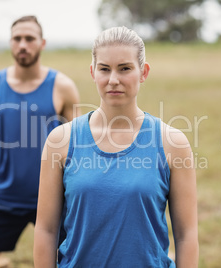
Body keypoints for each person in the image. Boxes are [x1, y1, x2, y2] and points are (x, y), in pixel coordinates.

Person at [34, 26, 198, 267]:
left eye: (125, 68)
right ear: (93, 72)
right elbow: (46, 231)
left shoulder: (172, 143)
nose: (113, 80)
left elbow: (186, 235)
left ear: (143, 72)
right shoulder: (60, 141)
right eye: (104, 69)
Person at [0, 15, 80, 268]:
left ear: (42, 43)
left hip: (55, 201)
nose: (23, 45)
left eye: (29, 38)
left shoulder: (63, 87)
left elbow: (79, 149)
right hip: (5, 199)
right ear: (10, 43)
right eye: (17, 39)